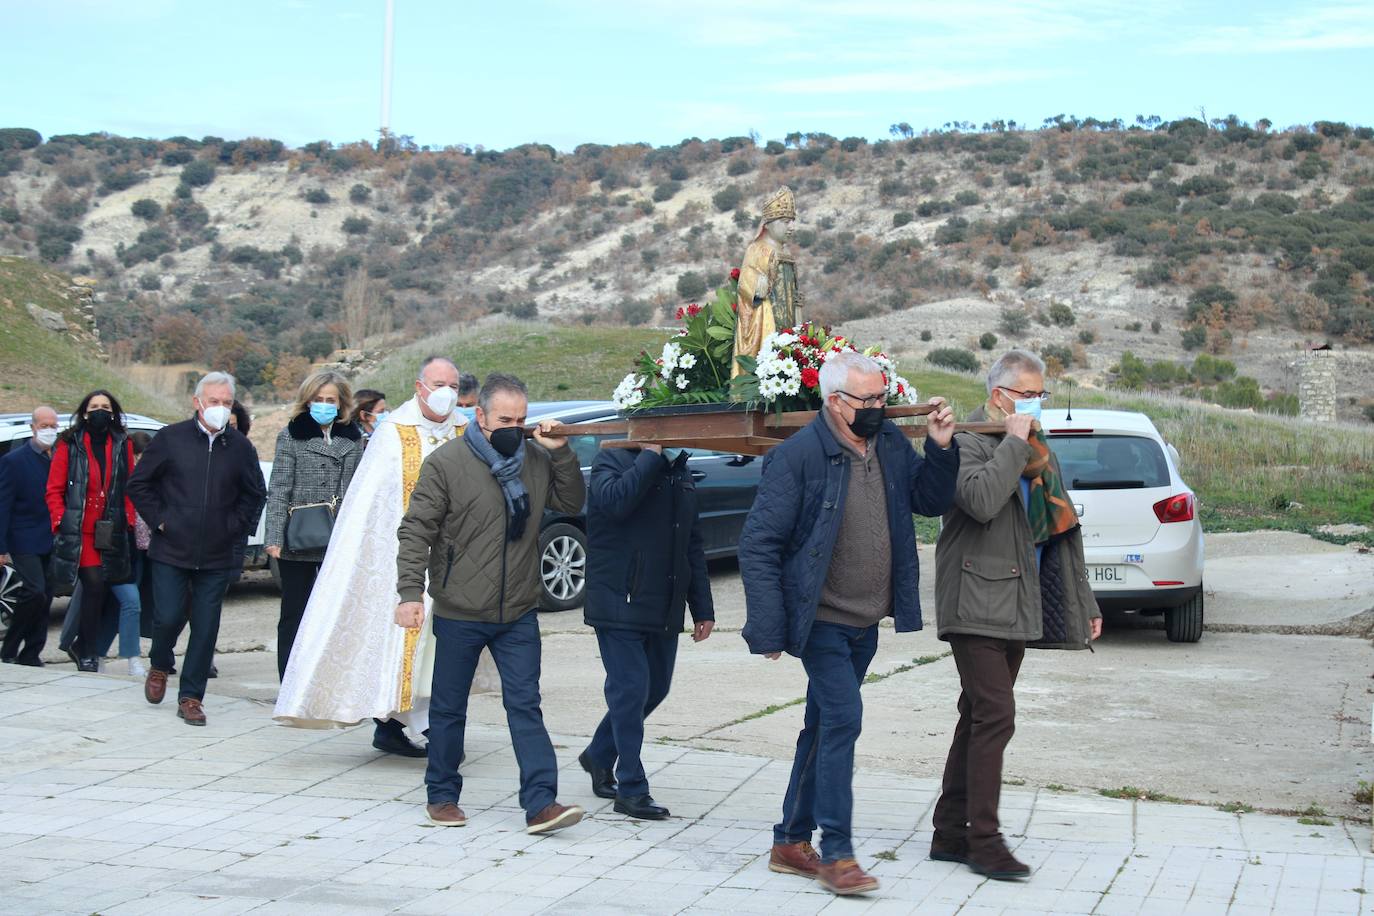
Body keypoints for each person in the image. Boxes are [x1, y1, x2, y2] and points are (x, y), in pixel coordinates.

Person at [740, 351, 958, 897]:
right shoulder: (798, 458)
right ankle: (837, 853)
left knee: (821, 726)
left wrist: (939, 446)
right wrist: (769, 628)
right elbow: (759, 544)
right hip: (822, 621)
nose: (881, 408)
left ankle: (790, 841)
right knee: (843, 719)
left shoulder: (886, 443)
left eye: (884, 397)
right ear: (835, 402)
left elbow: (929, 501)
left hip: (867, 620)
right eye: (871, 400)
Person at [931, 350, 1101, 880]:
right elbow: (979, 500)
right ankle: (984, 841)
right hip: (974, 603)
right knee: (996, 716)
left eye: (1041, 394)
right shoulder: (967, 442)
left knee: (977, 715)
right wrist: (1013, 440)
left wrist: (1085, 602)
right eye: (1028, 393)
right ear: (1001, 394)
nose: (1036, 403)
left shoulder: (1036, 454)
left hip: (1016, 601)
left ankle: (949, 832)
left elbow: (1058, 534)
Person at [275, 356, 498, 756]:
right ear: (419, 386)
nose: (446, 392)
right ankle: (417, 724)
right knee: (405, 641)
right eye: (438, 383)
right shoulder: (394, 432)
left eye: (452, 384)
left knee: (442, 643)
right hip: (403, 557)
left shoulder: (467, 430)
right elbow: (372, 504)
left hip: (457, 560)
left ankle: (416, 723)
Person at [395, 373, 586, 834]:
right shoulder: (447, 463)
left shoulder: (536, 459)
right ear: (479, 416)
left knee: (526, 705)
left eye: (521, 419)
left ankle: (541, 803)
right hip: (460, 607)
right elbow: (415, 529)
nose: (514, 427)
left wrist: (562, 454)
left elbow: (572, 501)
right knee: (448, 707)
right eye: (505, 418)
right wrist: (407, 594)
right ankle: (441, 795)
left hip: (519, 608)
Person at [577, 443, 714, 820]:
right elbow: (617, 502)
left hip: (663, 602)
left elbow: (692, 543)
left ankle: (599, 754)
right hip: (618, 600)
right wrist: (650, 456)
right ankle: (632, 789)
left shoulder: (679, 469)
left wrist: (702, 607)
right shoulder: (611, 460)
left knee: (655, 689)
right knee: (630, 690)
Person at [128, 372, 266, 726]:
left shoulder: (240, 447)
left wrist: (235, 528)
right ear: (197, 402)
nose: (220, 408)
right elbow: (139, 484)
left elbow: (255, 494)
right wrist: (161, 520)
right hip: (172, 549)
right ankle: (160, 664)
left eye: (226, 402)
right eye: (214, 401)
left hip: (218, 553)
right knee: (169, 616)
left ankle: (191, 696)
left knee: (206, 627)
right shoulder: (171, 438)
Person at [264, 371, 361, 680]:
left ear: (341, 402)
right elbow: (279, 486)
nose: (323, 405)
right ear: (307, 402)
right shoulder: (291, 435)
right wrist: (274, 535)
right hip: (300, 534)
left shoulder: (353, 438)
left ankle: (329, 678)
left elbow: (358, 490)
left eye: (330, 400)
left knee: (336, 614)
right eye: (318, 400)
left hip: (338, 536)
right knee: (293, 612)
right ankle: (290, 680)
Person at [45, 390, 137, 673]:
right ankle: (86, 650)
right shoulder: (69, 442)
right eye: (94, 406)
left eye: (105, 406)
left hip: (110, 529)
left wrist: (129, 520)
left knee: (102, 589)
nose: (100, 411)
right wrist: (61, 521)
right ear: (85, 412)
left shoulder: (123, 442)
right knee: (95, 585)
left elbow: (129, 486)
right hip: (80, 529)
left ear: (113, 411)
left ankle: (81, 644)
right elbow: (54, 489)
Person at [0, 406, 60, 666]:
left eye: (53, 425)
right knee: (34, 591)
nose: (49, 430)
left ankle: (32, 653)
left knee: (46, 596)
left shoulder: (58, 459)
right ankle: (11, 646)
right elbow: (3, 504)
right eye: (44, 425)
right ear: (33, 427)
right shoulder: (14, 461)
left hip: (51, 538)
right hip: (23, 537)